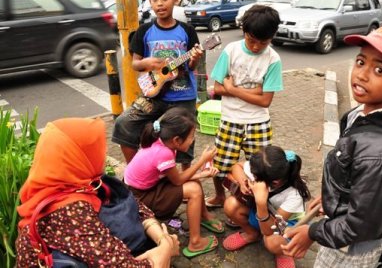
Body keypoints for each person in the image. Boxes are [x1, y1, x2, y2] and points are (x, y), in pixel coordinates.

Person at [281, 25, 382, 268]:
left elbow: (362, 224)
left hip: (351, 251)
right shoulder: (359, 114)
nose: (361, 74)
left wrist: (312, 233)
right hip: (341, 233)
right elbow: (355, 178)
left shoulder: (381, 152)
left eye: (379, 69)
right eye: (361, 62)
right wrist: (333, 195)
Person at [15, 118, 180, 267]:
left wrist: (161, 238)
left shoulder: (77, 181)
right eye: (97, 149)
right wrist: (165, 250)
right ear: (79, 157)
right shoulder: (70, 210)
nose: (103, 155)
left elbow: (136, 207)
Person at [112, 0, 203, 169]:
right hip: (154, 95)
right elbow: (135, 64)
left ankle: (185, 179)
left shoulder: (187, 31)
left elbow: (193, 67)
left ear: (176, 0)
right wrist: (147, 62)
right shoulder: (144, 31)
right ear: (150, 1)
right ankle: (136, 170)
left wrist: (194, 58)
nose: (160, 3)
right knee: (123, 123)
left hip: (182, 95)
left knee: (185, 137)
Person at [204, 5, 283, 209]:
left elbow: (266, 101)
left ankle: (254, 203)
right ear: (244, 32)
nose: (256, 47)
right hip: (230, 119)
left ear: (272, 36)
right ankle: (220, 196)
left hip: (259, 122)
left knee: (261, 168)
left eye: (263, 42)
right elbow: (217, 88)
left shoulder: (273, 59)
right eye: (251, 40)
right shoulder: (232, 51)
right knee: (220, 164)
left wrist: (234, 88)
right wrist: (255, 91)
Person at [124, 107, 225, 259]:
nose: (193, 140)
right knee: (194, 190)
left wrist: (202, 174)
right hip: (140, 198)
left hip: (143, 187)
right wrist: (202, 161)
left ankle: (203, 216)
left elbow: (177, 177)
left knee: (194, 183)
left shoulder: (161, 141)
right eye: (192, 136)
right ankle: (196, 242)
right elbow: (178, 180)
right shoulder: (163, 152)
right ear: (177, 140)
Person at [222, 146, 311, 268]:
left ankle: (283, 253)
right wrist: (243, 182)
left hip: (284, 224)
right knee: (230, 205)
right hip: (262, 214)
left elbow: (269, 230)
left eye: (254, 177)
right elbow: (237, 166)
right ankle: (251, 234)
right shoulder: (262, 167)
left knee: (271, 241)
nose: (251, 176)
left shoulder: (294, 194)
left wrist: (260, 202)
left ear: (275, 182)